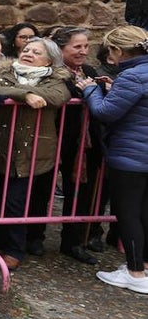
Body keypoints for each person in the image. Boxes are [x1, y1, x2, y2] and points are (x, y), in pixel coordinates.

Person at [0, 37, 71, 270]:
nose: (28, 53)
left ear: (50, 60)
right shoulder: (5, 72)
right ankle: (0, 245)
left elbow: (58, 96)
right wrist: (26, 96)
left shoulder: (56, 80)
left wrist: (15, 93)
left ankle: (14, 250)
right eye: (27, 49)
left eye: (36, 52)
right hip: (1, 147)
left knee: (16, 202)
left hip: (33, 150)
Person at [79, 26, 148, 294]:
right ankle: (142, 266)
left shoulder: (132, 76)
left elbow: (106, 112)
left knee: (128, 213)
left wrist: (89, 91)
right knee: (144, 212)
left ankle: (134, 272)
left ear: (119, 50)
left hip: (130, 156)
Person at [49, 26, 104, 265]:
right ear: (62, 48)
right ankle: (31, 238)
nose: (83, 51)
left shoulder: (89, 71)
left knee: (82, 192)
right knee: (39, 190)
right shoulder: (51, 72)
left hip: (85, 142)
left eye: (85, 46)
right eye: (77, 46)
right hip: (54, 137)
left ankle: (73, 242)